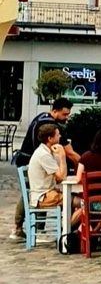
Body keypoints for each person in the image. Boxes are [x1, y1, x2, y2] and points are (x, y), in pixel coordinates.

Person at [11, 98, 80, 241]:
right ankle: (36, 229)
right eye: (65, 114)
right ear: (54, 111)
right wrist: (84, 163)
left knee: (32, 192)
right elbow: (70, 153)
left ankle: (26, 228)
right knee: (35, 192)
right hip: (35, 162)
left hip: (27, 159)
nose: (67, 117)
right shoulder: (51, 127)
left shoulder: (41, 117)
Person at [27, 124, 82, 230]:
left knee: (79, 199)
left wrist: (59, 156)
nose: (60, 136)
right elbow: (62, 176)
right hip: (43, 196)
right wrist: (62, 155)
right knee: (84, 204)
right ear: (50, 138)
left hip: (50, 192)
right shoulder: (44, 155)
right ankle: (66, 230)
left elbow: (60, 177)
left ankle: (68, 228)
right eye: (57, 134)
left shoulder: (49, 152)